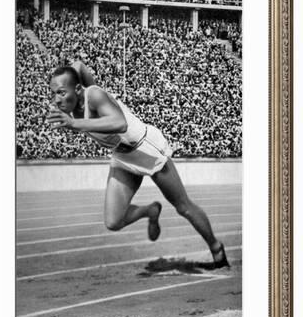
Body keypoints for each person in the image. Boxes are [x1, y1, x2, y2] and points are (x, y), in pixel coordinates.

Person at [46, 61, 230, 268]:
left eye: (62, 92)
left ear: (78, 89)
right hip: (123, 158)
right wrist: (70, 78)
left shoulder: (94, 95)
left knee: (183, 207)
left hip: (145, 149)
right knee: (113, 221)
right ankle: (150, 211)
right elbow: (78, 66)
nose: (57, 100)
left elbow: (120, 123)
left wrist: (75, 123)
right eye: (54, 94)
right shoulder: (72, 106)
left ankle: (216, 248)